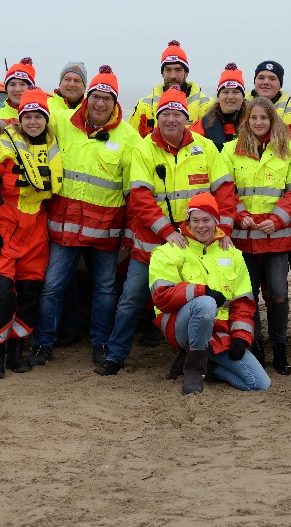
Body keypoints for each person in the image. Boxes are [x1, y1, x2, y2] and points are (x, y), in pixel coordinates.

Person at [96, 89, 236, 376]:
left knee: (195, 301)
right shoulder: (144, 149)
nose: (171, 119)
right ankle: (115, 355)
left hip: (194, 248)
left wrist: (222, 230)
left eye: (177, 114)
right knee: (131, 300)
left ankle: (190, 356)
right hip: (151, 245)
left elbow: (224, 191)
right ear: (157, 118)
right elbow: (140, 197)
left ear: (186, 118)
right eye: (165, 114)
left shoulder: (206, 148)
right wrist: (167, 231)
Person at [28, 67, 140, 367]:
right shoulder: (62, 121)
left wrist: (130, 231)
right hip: (64, 227)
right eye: (96, 97)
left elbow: (133, 190)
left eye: (107, 98)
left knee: (104, 288)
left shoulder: (129, 137)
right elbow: (29, 123)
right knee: (52, 285)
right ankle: (43, 341)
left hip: (105, 230)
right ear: (87, 97)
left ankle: (101, 342)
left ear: (115, 103)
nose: (100, 103)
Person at [0, 89, 63, 378]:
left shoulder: (53, 145)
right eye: (28, 116)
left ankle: (15, 352)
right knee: (0, 293)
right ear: (19, 118)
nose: (33, 122)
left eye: (38, 116)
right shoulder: (1, 145)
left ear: (46, 120)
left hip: (36, 229)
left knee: (29, 294)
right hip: (5, 227)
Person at [220, 97, 291, 374]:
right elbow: (224, 190)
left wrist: (277, 219)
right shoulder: (229, 151)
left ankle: (280, 348)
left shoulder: (290, 151)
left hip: (276, 236)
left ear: (273, 120)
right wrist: (238, 214)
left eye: (264, 118)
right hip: (243, 237)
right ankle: (256, 345)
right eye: (254, 118)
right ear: (245, 121)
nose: (259, 123)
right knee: (248, 295)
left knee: (279, 295)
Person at [149, 193, 271, 394]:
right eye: (195, 220)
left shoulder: (232, 253)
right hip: (181, 327)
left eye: (206, 220)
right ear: (188, 221)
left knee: (259, 383)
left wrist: (241, 336)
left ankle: (207, 366)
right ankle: (194, 371)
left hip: (218, 332)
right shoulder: (169, 250)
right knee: (206, 303)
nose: (200, 226)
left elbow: (244, 302)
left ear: (216, 222)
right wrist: (202, 291)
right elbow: (161, 296)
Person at [129, 40, 212, 138]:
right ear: (162, 73)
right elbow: (132, 144)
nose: (173, 76)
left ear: (186, 73)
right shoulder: (144, 107)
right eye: (168, 70)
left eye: (178, 70)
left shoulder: (207, 106)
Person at [191, 62, 248, 151]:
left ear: (243, 97)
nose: (230, 97)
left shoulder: (254, 124)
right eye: (225, 92)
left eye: (236, 92)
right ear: (218, 97)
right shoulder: (201, 127)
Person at [0, 57, 37, 133]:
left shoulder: (45, 118)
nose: (17, 89)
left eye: (22, 84)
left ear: (31, 88)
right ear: (6, 88)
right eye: (12, 84)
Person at [248, 60, 291, 137]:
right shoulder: (240, 109)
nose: (266, 82)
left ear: (280, 85)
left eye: (272, 79)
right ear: (255, 82)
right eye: (261, 78)